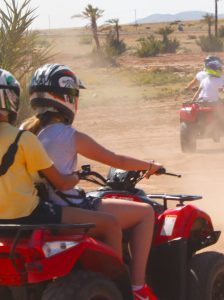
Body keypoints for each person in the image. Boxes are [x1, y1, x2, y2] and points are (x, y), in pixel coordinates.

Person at [21, 64, 159, 300]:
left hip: (41, 209)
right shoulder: (68, 135)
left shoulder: (25, 131)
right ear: (67, 98)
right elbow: (117, 159)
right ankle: (135, 288)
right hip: (71, 208)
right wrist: (149, 166)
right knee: (145, 212)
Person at [0, 68, 122, 258]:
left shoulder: (27, 132)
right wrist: (75, 176)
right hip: (29, 215)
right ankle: (119, 286)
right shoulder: (22, 139)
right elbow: (61, 183)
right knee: (111, 224)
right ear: (11, 99)